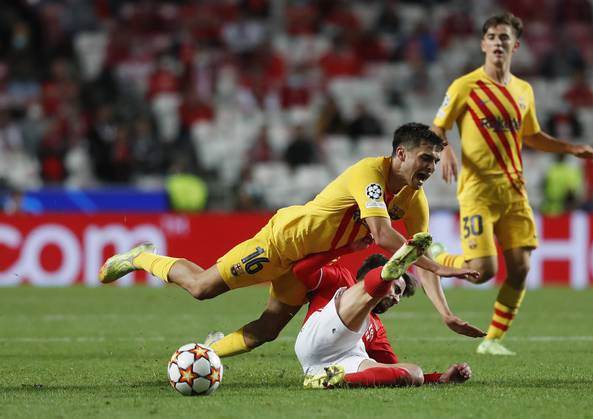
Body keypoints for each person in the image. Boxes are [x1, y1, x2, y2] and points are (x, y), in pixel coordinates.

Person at [99, 122, 477, 359]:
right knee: (201, 288)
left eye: (434, 160)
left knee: (267, 330)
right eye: (425, 158)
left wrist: (445, 313)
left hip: (310, 264)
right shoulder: (369, 173)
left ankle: (206, 354)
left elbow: (414, 256)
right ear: (400, 154)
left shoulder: (415, 200)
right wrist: (441, 266)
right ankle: (142, 257)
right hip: (281, 244)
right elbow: (382, 235)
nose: (430, 167)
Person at [429, 13, 593, 356]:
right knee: (483, 270)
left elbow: (532, 135)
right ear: (482, 44)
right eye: (491, 36)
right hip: (478, 190)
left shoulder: (524, 90)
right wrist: (445, 151)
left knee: (521, 269)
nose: (497, 42)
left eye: (504, 37)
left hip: (515, 191)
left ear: (515, 45)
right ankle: (435, 255)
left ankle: (492, 340)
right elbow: (438, 128)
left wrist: (570, 147)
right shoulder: (465, 86)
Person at [293, 233, 476, 389]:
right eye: (396, 289)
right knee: (359, 295)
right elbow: (300, 271)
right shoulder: (340, 278)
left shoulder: (377, 329)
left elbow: (393, 371)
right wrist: (346, 248)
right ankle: (383, 277)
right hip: (317, 340)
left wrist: (441, 378)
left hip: (339, 365)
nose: (397, 299)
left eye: (399, 295)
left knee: (414, 373)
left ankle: (329, 381)